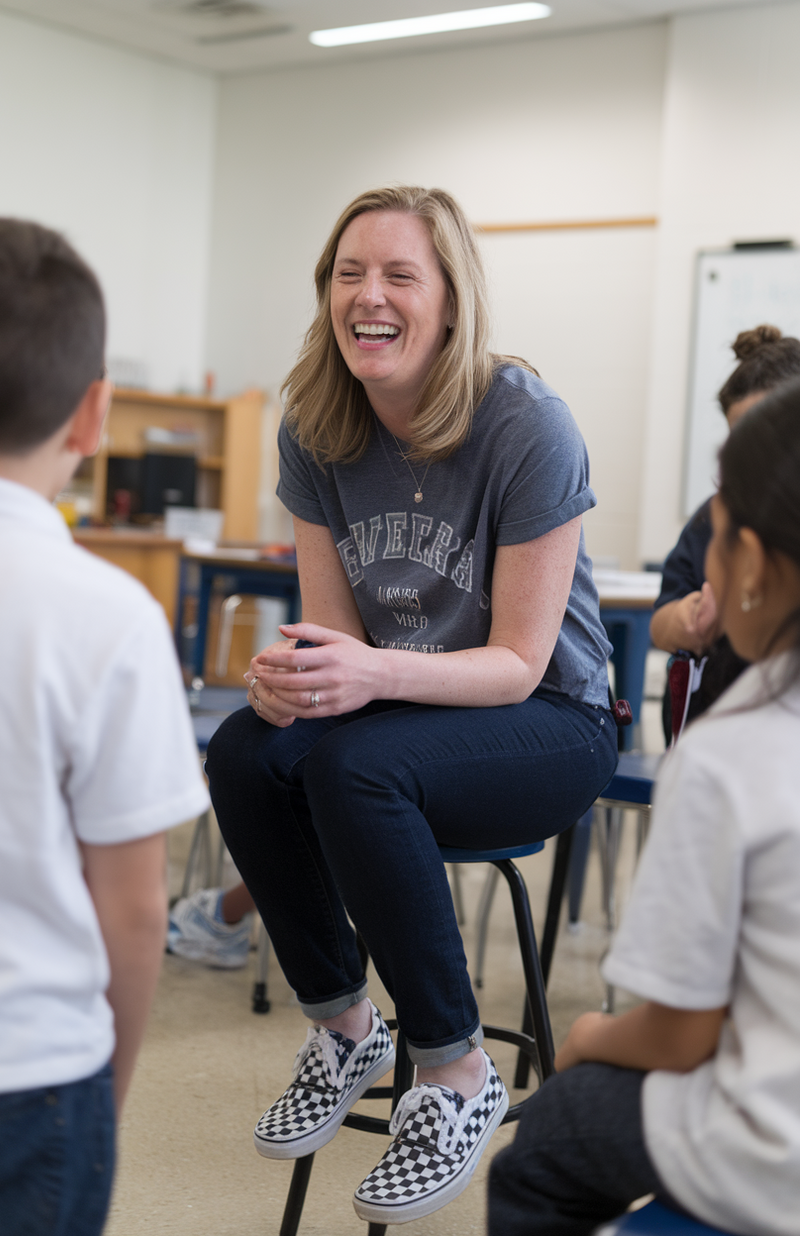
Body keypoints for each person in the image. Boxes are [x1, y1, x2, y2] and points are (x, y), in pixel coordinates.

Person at [205, 185, 618, 1225]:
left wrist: (366, 680)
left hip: (547, 727)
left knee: (355, 766)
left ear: (448, 300)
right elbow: (336, 637)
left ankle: (454, 1072)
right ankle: (346, 1028)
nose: (368, 298)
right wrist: (293, 678)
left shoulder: (526, 424)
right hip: (406, 722)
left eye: (398, 276)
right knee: (247, 751)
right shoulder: (316, 423)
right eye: (349, 275)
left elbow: (519, 665)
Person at [488, 376, 800, 1235]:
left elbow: (678, 1038)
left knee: (549, 1137)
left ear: (752, 565)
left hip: (774, 1158)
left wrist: (587, 1035)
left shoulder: (732, 753)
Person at [0, 218, 210, 1236]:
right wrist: (106, 1092)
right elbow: (133, 907)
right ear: (94, 414)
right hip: (31, 1078)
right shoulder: (110, 617)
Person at [651, 325, 800, 739]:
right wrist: (687, 621)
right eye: (741, 439)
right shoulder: (711, 521)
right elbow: (662, 619)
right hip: (709, 733)